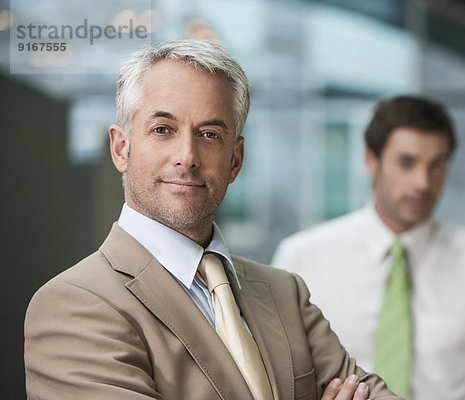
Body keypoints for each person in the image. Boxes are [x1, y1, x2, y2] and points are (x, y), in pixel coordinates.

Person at [23, 40, 401, 400]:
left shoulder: (286, 293)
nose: (186, 156)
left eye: (209, 134)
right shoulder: (75, 305)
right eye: (162, 130)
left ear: (235, 160)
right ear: (121, 148)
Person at [272, 96, 465, 400]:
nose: (422, 183)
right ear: (371, 161)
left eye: (436, 165)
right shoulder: (301, 259)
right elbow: (278, 384)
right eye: (406, 162)